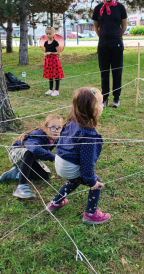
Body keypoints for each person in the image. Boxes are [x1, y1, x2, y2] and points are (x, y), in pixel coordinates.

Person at [47, 87, 111, 225]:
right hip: (69, 166)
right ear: (92, 109)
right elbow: (86, 165)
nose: (103, 105)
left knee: (74, 180)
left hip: (60, 163)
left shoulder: (71, 122)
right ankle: (91, 215)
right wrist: (91, 181)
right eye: (100, 103)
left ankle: (55, 203)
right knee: (96, 184)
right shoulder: (89, 135)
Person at [0, 114, 64, 199]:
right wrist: (54, 157)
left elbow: (63, 149)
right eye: (52, 127)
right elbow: (34, 149)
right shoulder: (37, 135)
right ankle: (21, 188)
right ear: (45, 128)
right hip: (17, 154)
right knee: (29, 152)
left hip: (31, 159)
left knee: (45, 175)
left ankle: (16, 173)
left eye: (59, 127)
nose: (56, 130)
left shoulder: (56, 139)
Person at [92, 0, 128, 108]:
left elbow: (124, 26)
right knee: (104, 73)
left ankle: (116, 98)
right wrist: (103, 37)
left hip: (117, 45)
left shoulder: (120, 8)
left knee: (117, 72)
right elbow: (96, 28)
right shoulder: (98, 9)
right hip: (103, 46)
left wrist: (116, 37)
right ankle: (105, 98)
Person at [43, 26, 65, 97]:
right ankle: (50, 89)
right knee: (50, 75)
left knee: (56, 75)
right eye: (47, 34)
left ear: (53, 34)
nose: (48, 35)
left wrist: (51, 53)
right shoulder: (45, 43)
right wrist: (45, 54)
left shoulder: (55, 43)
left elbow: (58, 53)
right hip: (48, 61)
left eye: (49, 34)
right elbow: (45, 51)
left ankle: (56, 90)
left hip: (54, 61)